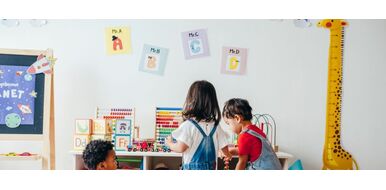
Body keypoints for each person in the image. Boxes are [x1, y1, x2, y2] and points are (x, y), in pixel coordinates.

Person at [166, 80, 232, 170]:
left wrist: (169, 143)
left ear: (191, 101)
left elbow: (180, 148)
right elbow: (224, 147)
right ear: (212, 102)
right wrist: (228, 155)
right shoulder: (216, 126)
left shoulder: (188, 125)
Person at [222, 98, 281, 170]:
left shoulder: (244, 136)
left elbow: (242, 163)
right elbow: (245, 149)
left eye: (228, 123)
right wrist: (229, 151)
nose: (229, 128)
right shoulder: (256, 131)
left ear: (237, 118)